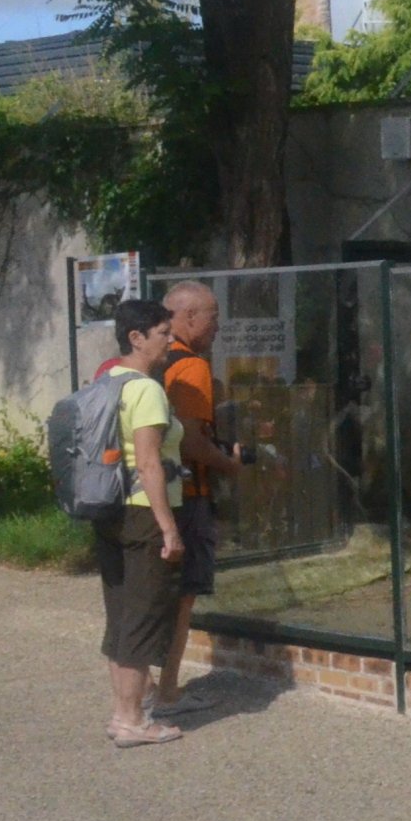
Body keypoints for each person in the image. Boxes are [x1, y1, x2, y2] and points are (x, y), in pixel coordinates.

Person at [149, 279, 247, 719]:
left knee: (153, 595)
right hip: (187, 496)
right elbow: (191, 441)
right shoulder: (191, 368)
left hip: (151, 496)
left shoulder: (151, 363)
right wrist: (230, 465)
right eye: (213, 317)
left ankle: (149, 688)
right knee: (184, 595)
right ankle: (167, 691)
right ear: (189, 318)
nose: (217, 328)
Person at [98, 298, 189, 748]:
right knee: (141, 619)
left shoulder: (107, 381)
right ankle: (134, 720)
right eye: (163, 333)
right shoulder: (147, 389)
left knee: (119, 617)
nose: (171, 341)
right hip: (142, 511)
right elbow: (150, 463)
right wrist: (169, 528)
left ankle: (121, 715)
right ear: (136, 337)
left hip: (109, 508)